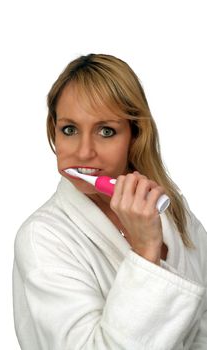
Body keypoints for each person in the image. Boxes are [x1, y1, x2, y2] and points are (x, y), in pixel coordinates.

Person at [13, 53, 207, 349]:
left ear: (135, 136)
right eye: (69, 130)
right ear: (54, 131)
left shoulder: (171, 209)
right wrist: (145, 253)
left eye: (106, 131)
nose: (84, 151)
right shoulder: (41, 238)